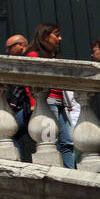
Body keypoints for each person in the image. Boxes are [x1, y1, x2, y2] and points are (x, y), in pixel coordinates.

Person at [26, 23, 74, 167]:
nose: (60, 38)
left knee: (68, 142)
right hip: (48, 102)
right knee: (52, 141)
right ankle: (58, 171)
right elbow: (29, 82)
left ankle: (70, 172)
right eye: (57, 35)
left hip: (60, 102)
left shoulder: (53, 56)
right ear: (45, 37)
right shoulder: (33, 55)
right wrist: (33, 102)